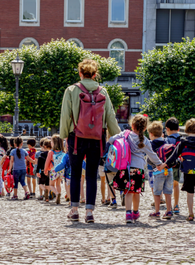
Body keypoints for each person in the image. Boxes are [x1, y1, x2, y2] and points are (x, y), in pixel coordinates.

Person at [59, 59, 121, 223]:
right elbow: (110, 116)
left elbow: (66, 115)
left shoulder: (72, 90)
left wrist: (64, 135)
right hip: (96, 138)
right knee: (92, 175)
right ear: (94, 75)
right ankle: (89, 213)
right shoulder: (103, 91)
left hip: (76, 138)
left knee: (75, 174)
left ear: (80, 73)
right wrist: (118, 137)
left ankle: (74, 210)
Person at [109, 115, 162, 223]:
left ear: (132, 125)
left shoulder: (125, 134)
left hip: (125, 167)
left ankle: (128, 213)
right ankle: (135, 212)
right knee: (136, 192)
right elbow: (152, 155)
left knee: (128, 191)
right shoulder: (145, 141)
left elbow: (111, 140)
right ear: (145, 128)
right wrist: (159, 164)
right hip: (138, 168)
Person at [158, 118, 195, 221]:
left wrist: (164, 164)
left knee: (190, 193)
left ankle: (191, 213)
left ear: (187, 130)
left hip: (188, 172)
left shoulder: (183, 141)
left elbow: (174, 156)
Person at [147, 121, 173, 220]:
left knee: (157, 192)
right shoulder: (166, 142)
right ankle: (169, 211)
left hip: (158, 171)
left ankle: (157, 211)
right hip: (168, 170)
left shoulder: (151, 144)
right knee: (168, 192)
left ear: (151, 134)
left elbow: (150, 159)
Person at [165, 117, 182, 214]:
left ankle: (169, 206)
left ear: (167, 129)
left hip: (167, 165)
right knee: (176, 185)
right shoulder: (181, 139)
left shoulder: (166, 139)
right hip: (177, 164)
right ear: (178, 129)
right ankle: (176, 205)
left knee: (167, 185)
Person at [44, 134, 65, 205]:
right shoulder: (63, 152)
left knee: (51, 185)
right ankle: (58, 196)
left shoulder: (51, 152)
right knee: (58, 184)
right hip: (61, 170)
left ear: (54, 143)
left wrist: (45, 170)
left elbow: (47, 162)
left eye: (51, 142)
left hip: (53, 170)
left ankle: (56, 193)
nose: (50, 143)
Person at [54, 141, 71, 206]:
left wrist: (56, 169)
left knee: (68, 187)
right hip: (76, 174)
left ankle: (70, 199)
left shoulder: (66, 155)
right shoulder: (77, 154)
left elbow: (62, 164)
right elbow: (82, 163)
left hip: (68, 175)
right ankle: (74, 200)